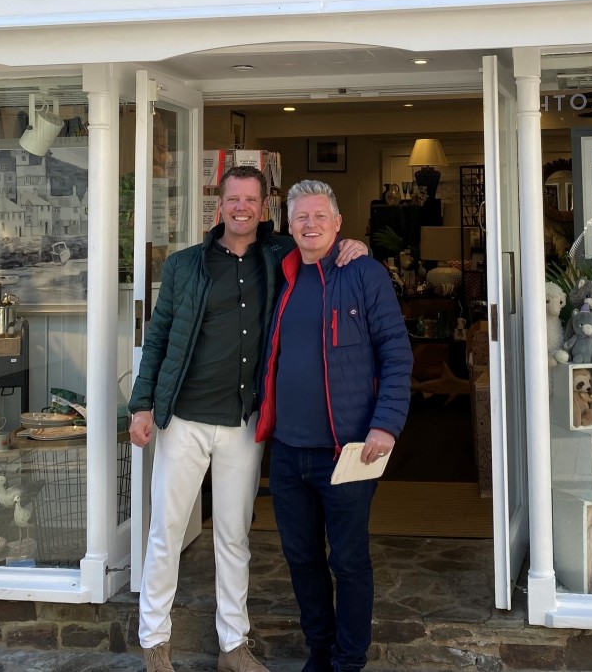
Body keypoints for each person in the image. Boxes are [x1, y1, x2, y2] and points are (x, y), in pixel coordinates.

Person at [128, 166, 368, 672]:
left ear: (264, 208)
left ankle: (233, 644)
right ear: (220, 206)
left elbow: (320, 240)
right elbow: (160, 336)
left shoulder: (278, 255)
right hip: (185, 420)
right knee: (166, 531)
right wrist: (143, 403)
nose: (242, 208)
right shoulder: (185, 265)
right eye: (233, 198)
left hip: (243, 422)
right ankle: (155, 640)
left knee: (233, 534)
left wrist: (355, 246)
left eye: (251, 200)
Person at [255, 179, 412, 672]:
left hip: (349, 450)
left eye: (321, 216)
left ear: (339, 223)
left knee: (348, 560)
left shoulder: (363, 272)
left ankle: (349, 659)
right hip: (286, 451)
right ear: (288, 223)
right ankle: (319, 651)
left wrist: (385, 426)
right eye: (301, 216)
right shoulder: (279, 272)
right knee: (301, 558)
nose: (310, 224)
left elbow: (395, 352)